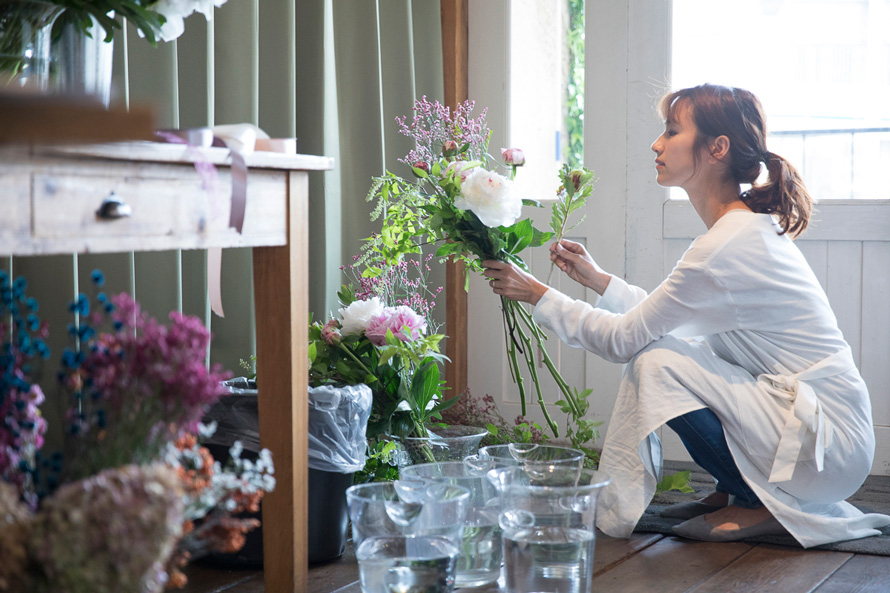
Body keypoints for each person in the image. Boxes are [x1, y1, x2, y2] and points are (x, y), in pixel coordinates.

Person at [481, 83, 890, 546]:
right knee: (668, 352)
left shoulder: (728, 244)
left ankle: (754, 498)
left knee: (657, 362)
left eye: (673, 131)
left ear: (717, 148)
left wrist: (537, 294)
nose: (657, 144)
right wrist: (598, 280)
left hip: (826, 447)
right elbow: (660, 320)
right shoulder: (739, 233)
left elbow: (625, 341)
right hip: (820, 435)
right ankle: (735, 491)